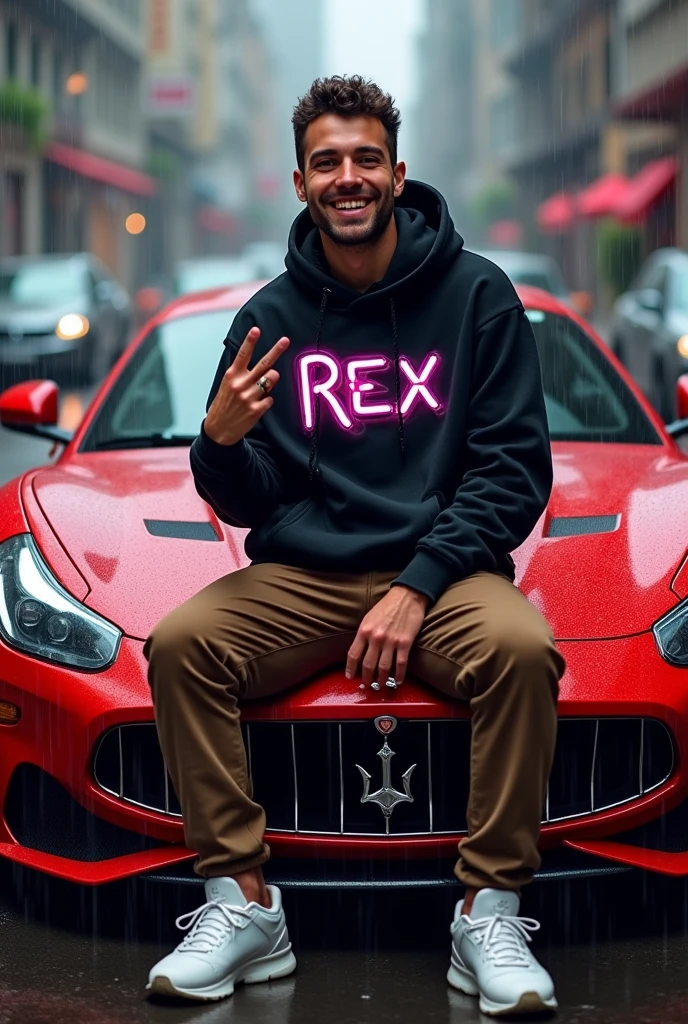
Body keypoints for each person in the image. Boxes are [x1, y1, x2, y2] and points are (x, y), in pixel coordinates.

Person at [144, 75, 565, 1016]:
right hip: (306, 572)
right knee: (182, 644)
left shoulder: (477, 296)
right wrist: (216, 442)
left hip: (444, 571)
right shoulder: (270, 318)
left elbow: (513, 474)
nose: (348, 177)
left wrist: (417, 583)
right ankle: (244, 904)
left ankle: (487, 913)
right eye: (327, 161)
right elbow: (249, 496)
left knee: (524, 650)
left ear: (397, 171)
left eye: (365, 158)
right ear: (300, 181)